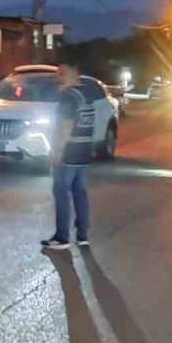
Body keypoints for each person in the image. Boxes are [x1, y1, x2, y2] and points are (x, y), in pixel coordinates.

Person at [42, 63, 101, 251]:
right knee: (80, 193)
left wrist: (57, 151)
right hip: (83, 153)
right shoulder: (86, 95)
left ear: (74, 74)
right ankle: (82, 235)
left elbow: (66, 126)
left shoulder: (68, 97)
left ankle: (62, 237)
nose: (58, 77)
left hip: (68, 154)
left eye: (62, 73)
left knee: (61, 193)